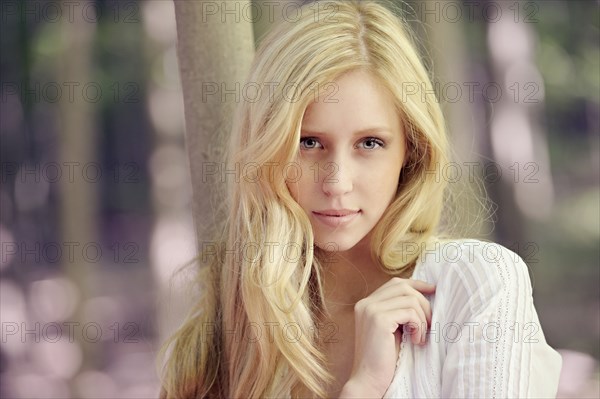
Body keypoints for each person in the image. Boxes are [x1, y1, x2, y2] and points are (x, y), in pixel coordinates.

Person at [159, 1, 562, 397]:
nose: (337, 182)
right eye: (308, 142)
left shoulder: (476, 283)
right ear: (268, 149)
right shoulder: (230, 328)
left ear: (412, 150)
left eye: (370, 143)